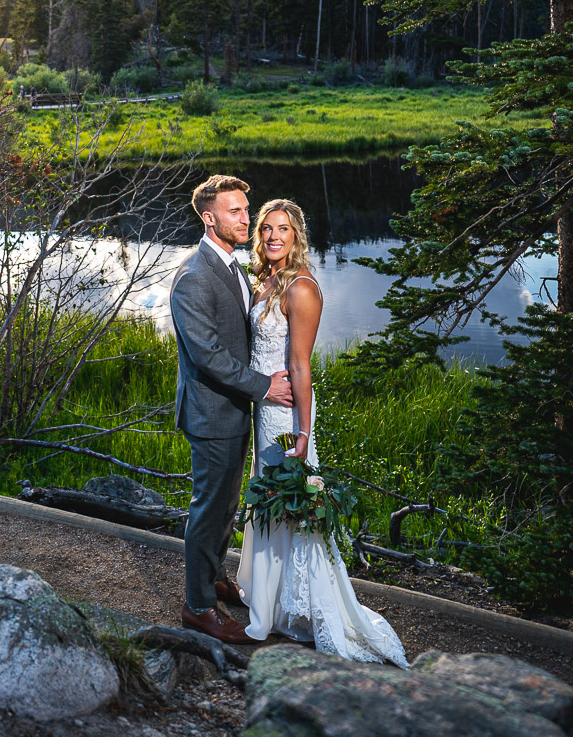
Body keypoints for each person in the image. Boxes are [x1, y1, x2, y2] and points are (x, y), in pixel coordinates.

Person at [236, 198, 408, 665]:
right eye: (267, 228)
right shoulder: (263, 281)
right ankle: (269, 603)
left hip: (288, 415)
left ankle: (303, 606)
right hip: (262, 409)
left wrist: (304, 435)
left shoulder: (302, 289)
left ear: (297, 236)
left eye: (283, 230)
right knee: (267, 500)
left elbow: (300, 364)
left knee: (292, 504)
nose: (273, 236)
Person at [170, 174, 294, 645]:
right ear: (209, 218)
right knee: (209, 509)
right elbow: (209, 356)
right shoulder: (193, 276)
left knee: (226, 507)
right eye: (236, 212)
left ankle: (213, 578)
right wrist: (265, 386)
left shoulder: (231, 264)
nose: (248, 218)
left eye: (247, 208)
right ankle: (199, 607)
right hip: (212, 413)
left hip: (233, 410)